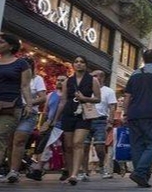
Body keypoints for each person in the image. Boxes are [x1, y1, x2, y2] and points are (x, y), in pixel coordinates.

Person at [123, 49, 152, 188]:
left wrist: (126, 113)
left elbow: (127, 96)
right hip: (151, 112)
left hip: (134, 113)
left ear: (143, 60)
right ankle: (140, 172)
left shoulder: (135, 73)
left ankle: (141, 176)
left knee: (137, 145)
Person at [53, 56, 101, 185]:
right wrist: (55, 119)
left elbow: (98, 98)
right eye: (76, 62)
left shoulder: (92, 80)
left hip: (84, 113)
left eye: (82, 62)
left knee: (78, 143)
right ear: (73, 65)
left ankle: (75, 174)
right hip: (69, 113)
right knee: (68, 146)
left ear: (86, 65)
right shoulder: (67, 81)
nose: (79, 64)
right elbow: (62, 101)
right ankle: (70, 173)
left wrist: (85, 98)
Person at [0, 33, 34, 183]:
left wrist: (29, 104)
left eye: (1, 42)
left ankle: (10, 170)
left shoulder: (21, 64)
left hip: (11, 106)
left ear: (11, 46)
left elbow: (25, 86)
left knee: (0, 137)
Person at [11, 57, 46, 182]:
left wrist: (28, 103)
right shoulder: (13, 78)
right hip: (11, 111)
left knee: (19, 141)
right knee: (8, 141)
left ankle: (13, 171)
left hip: (29, 113)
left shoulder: (37, 80)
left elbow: (43, 98)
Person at [28, 75, 67, 181]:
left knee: (65, 149)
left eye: (62, 80)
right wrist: (43, 124)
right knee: (47, 147)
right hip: (51, 125)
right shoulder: (50, 95)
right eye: (58, 80)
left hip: (64, 126)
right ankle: (39, 170)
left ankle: (66, 170)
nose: (59, 82)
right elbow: (46, 111)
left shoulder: (69, 95)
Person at [81, 70, 117, 181]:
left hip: (100, 121)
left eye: (97, 76)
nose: (95, 78)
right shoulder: (85, 89)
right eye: (93, 76)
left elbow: (112, 106)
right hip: (85, 119)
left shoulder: (108, 91)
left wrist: (110, 121)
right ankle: (85, 172)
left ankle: (102, 166)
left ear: (102, 78)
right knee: (84, 147)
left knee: (99, 147)